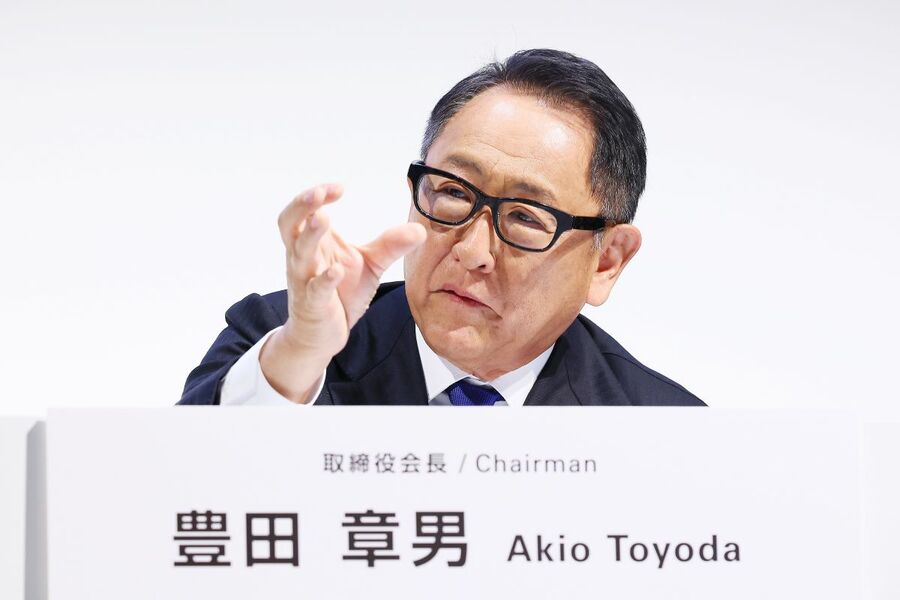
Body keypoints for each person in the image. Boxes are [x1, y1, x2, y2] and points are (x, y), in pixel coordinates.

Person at [178, 49, 704, 407]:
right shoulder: (279, 340)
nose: (472, 251)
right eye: (452, 193)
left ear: (607, 260)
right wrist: (298, 357)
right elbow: (179, 498)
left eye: (525, 217)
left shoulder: (665, 431)